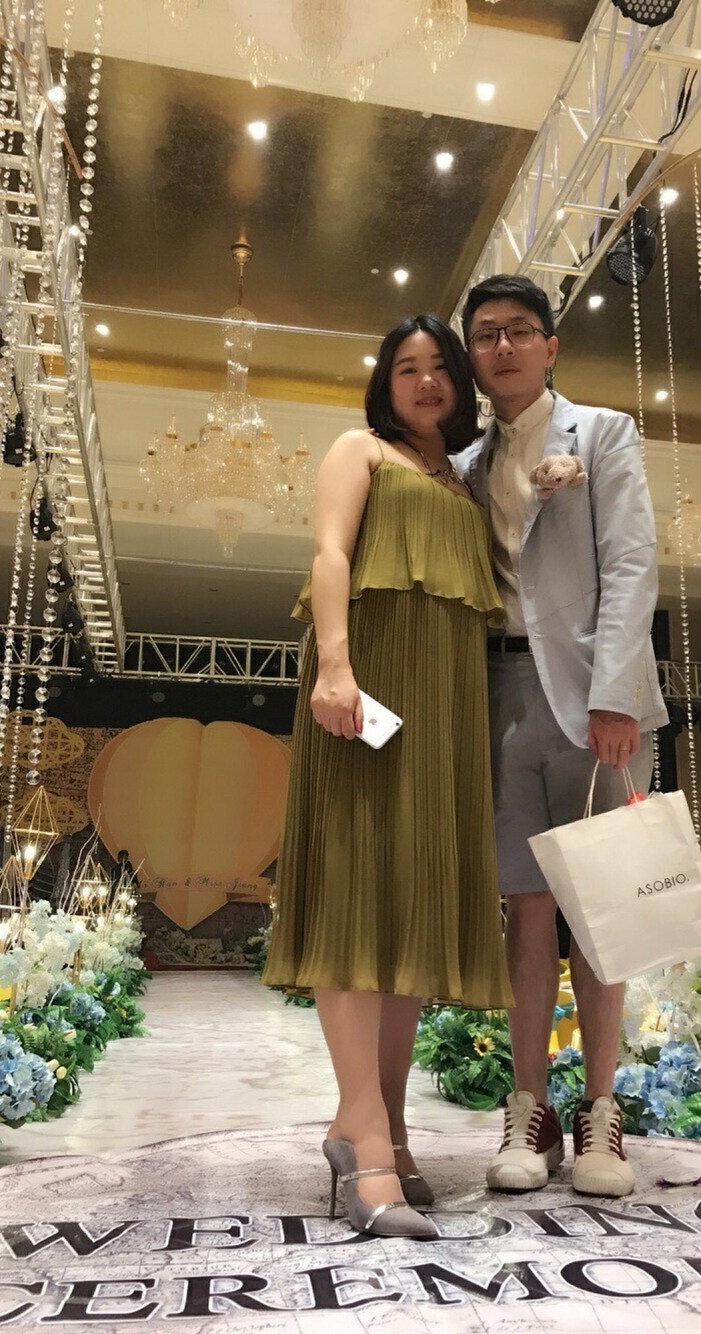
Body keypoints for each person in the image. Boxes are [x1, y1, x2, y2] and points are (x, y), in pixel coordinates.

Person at [263, 313, 513, 1238]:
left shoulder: (465, 481)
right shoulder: (359, 450)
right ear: (385, 383)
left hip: (441, 714)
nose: (426, 380)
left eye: (440, 366)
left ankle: (385, 1127)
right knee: (356, 898)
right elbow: (330, 552)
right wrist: (334, 664)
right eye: (407, 368)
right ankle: (365, 1136)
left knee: (406, 914)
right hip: (363, 690)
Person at [458, 274, 667, 1199]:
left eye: (519, 331)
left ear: (550, 348)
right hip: (499, 696)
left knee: (602, 909)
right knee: (527, 909)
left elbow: (631, 560)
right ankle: (530, 1109)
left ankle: (601, 1114)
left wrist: (615, 693)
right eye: (486, 334)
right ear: (473, 356)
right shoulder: (465, 463)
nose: (502, 346)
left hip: (594, 701)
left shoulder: (603, 434)